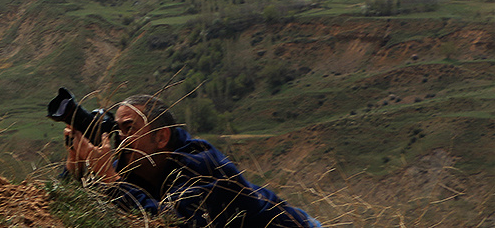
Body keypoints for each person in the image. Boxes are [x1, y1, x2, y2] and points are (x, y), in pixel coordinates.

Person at [64, 94, 321, 228]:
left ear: (161, 137)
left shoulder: (200, 165)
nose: (121, 137)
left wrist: (110, 178)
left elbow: (175, 222)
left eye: (129, 128)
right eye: (117, 129)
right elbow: (67, 201)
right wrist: (75, 162)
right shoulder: (131, 162)